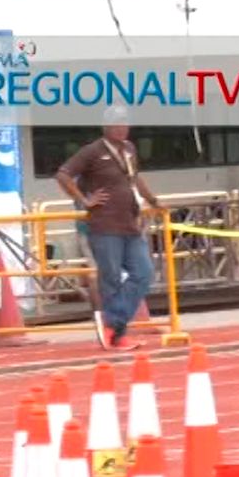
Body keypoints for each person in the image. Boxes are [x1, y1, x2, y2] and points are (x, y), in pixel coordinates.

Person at [56, 113, 161, 352]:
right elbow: (63, 174)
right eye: (116, 123)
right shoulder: (92, 151)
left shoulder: (129, 149)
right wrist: (83, 199)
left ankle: (112, 322)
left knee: (143, 273)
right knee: (111, 279)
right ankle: (117, 333)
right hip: (104, 227)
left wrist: (153, 200)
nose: (121, 127)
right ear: (105, 126)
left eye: (125, 122)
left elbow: (134, 179)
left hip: (131, 224)